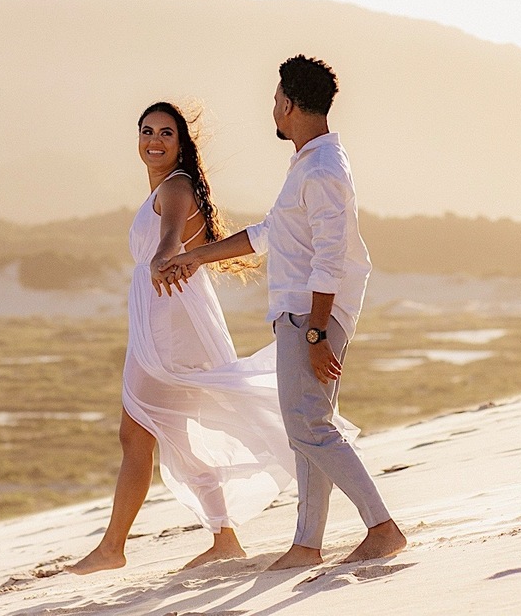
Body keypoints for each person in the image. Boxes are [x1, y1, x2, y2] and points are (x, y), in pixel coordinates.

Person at [162, 55, 408, 570]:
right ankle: (306, 546)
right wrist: (195, 257)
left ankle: (382, 529)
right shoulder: (308, 164)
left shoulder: (322, 170)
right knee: (305, 431)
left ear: (291, 104)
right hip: (302, 316)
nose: (272, 107)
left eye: (276, 99)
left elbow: (330, 258)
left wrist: (318, 335)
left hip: (313, 317)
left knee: (310, 427)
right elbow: (268, 233)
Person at [68, 101, 297, 575]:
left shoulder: (175, 186)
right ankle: (224, 538)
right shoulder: (168, 185)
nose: (154, 141)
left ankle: (114, 547)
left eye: (166, 134)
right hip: (164, 319)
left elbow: (171, 236)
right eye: (147, 131)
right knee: (176, 436)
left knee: (136, 433)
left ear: (180, 144)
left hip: (167, 325)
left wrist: (162, 257)